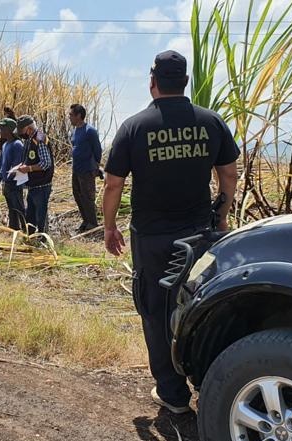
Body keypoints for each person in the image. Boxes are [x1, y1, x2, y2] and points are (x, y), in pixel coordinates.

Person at [102, 51, 240, 414]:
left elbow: (114, 184)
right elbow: (229, 174)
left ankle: (172, 393)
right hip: (200, 235)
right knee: (203, 305)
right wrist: (221, 217)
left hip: (152, 238)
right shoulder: (211, 122)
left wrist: (110, 226)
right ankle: (210, 385)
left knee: (156, 309)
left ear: (152, 82)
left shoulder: (134, 127)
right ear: (186, 82)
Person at [14, 115, 54, 234]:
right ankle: (30, 236)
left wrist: (29, 168)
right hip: (32, 185)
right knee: (30, 215)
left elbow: (46, 163)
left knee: (41, 216)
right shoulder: (29, 140)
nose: (21, 134)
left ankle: (43, 239)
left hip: (42, 185)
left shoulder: (40, 138)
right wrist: (21, 166)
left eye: (22, 131)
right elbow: (29, 159)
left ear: (29, 129)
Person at [68, 103, 103, 234]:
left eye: (71, 115)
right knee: (77, 194)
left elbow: (97, 150)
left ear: (79, 115)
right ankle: (85, 220)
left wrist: (95, 166)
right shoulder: (75, 131)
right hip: (76, 169)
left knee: (88, 197)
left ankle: (92, 223)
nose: (69, 117)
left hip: (87, 169)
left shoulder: (90, 131)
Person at [0, 118, 26, 230]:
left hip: (15, 184)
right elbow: (3, 165)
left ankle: (27, 231)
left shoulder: (17, 145)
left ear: (9, 130)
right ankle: (14, 230)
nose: (0, 131)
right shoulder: (5, 145)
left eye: (2, 128)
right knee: (11, 210)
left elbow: (17, 166)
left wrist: (8, 180)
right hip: (7, 184)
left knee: (19, 209)